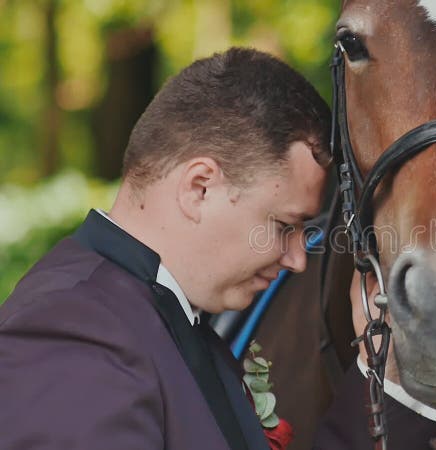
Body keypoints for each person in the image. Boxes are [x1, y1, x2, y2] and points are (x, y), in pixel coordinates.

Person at [0, 47, 330, 450]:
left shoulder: (166, 316)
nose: (297, 259)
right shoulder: (72, 332)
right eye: (285, 226)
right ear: (200, 188)